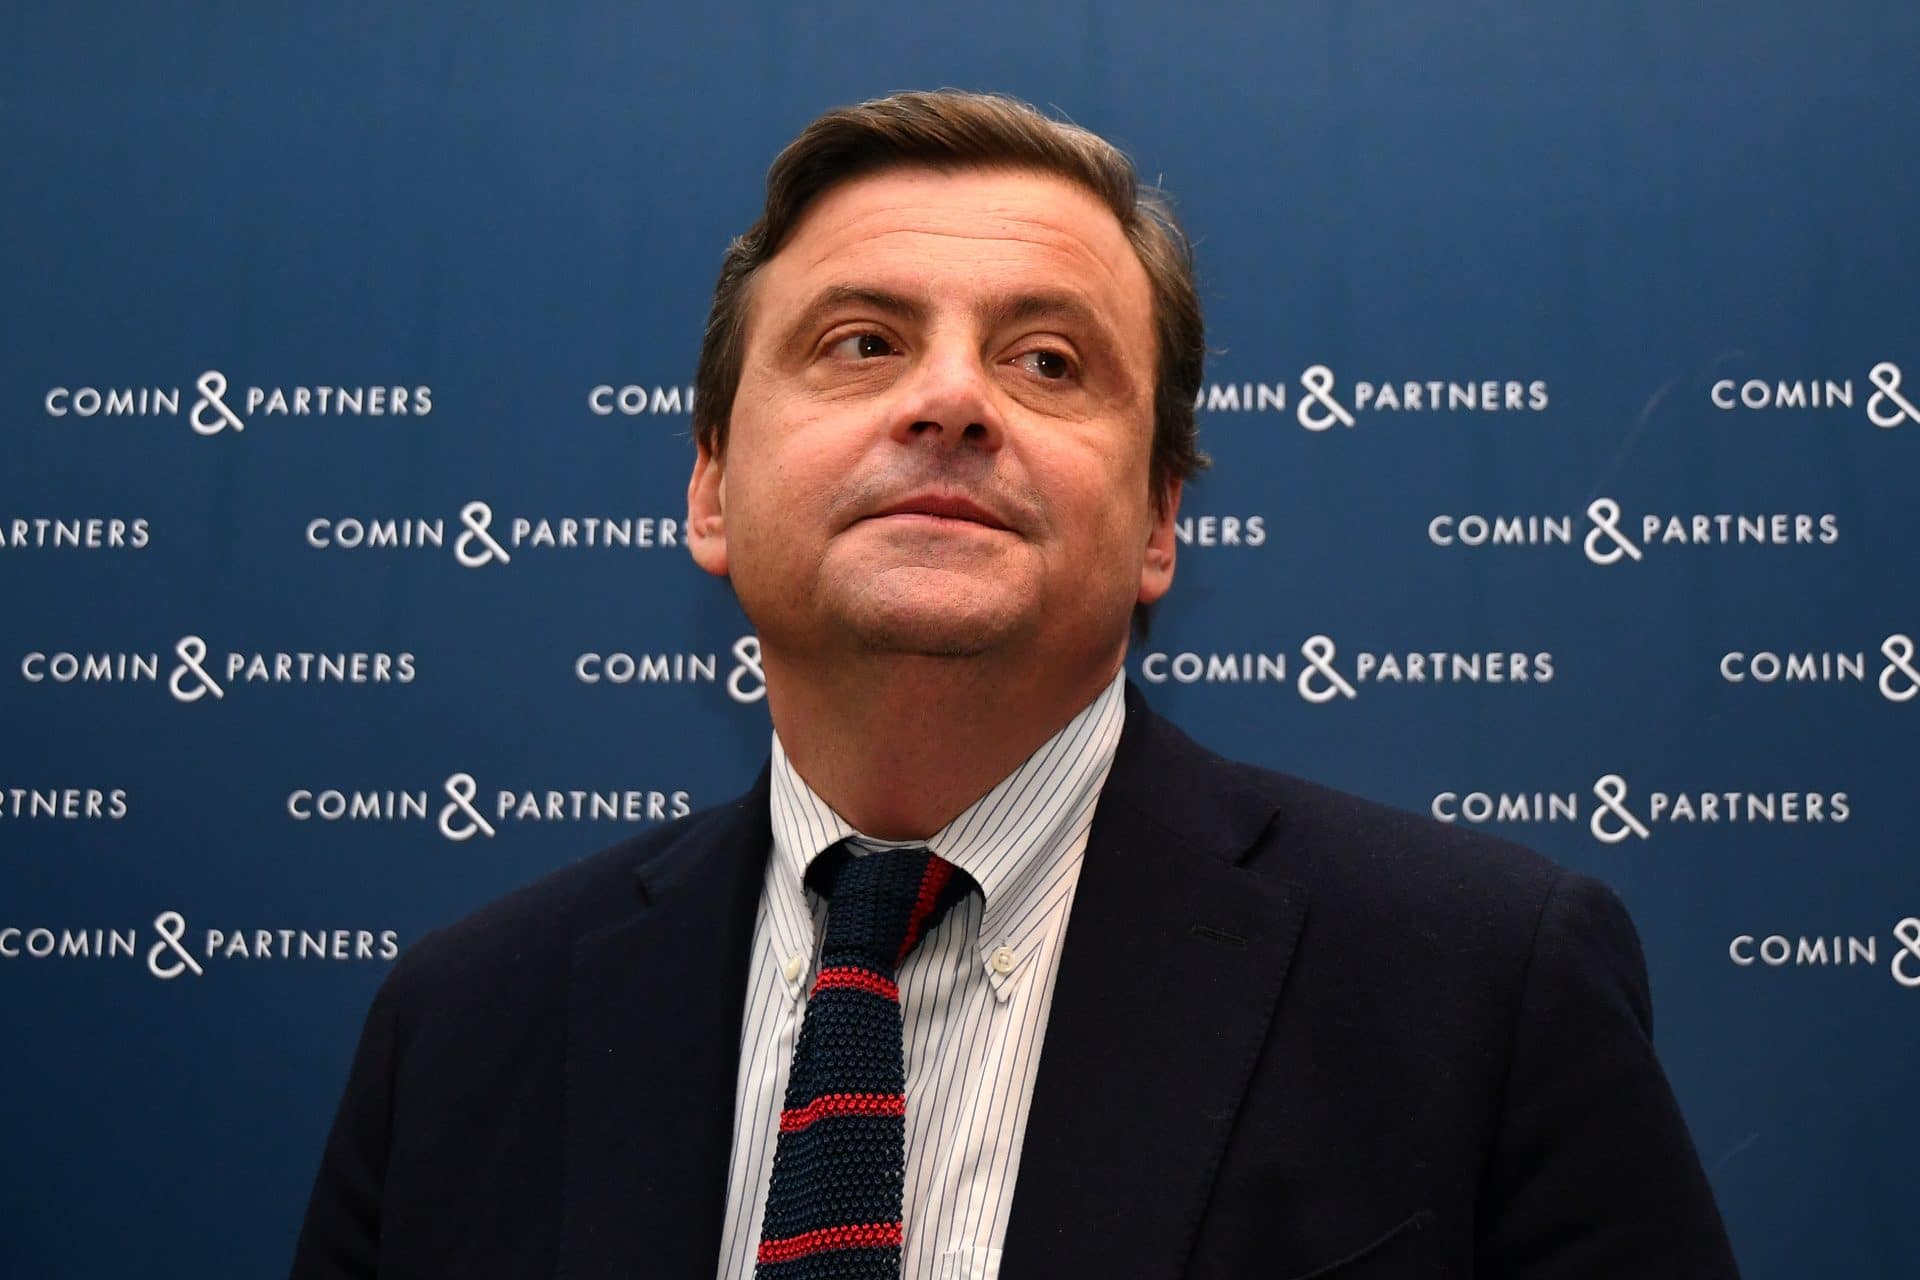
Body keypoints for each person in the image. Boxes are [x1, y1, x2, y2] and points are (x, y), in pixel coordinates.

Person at [291, 90, 1742, 1279]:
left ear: (1161, 521)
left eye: (1048, 362)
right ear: (711, 489)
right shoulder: (461, 1029)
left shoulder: (1484, 991)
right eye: (862, 344)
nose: (951, 400)